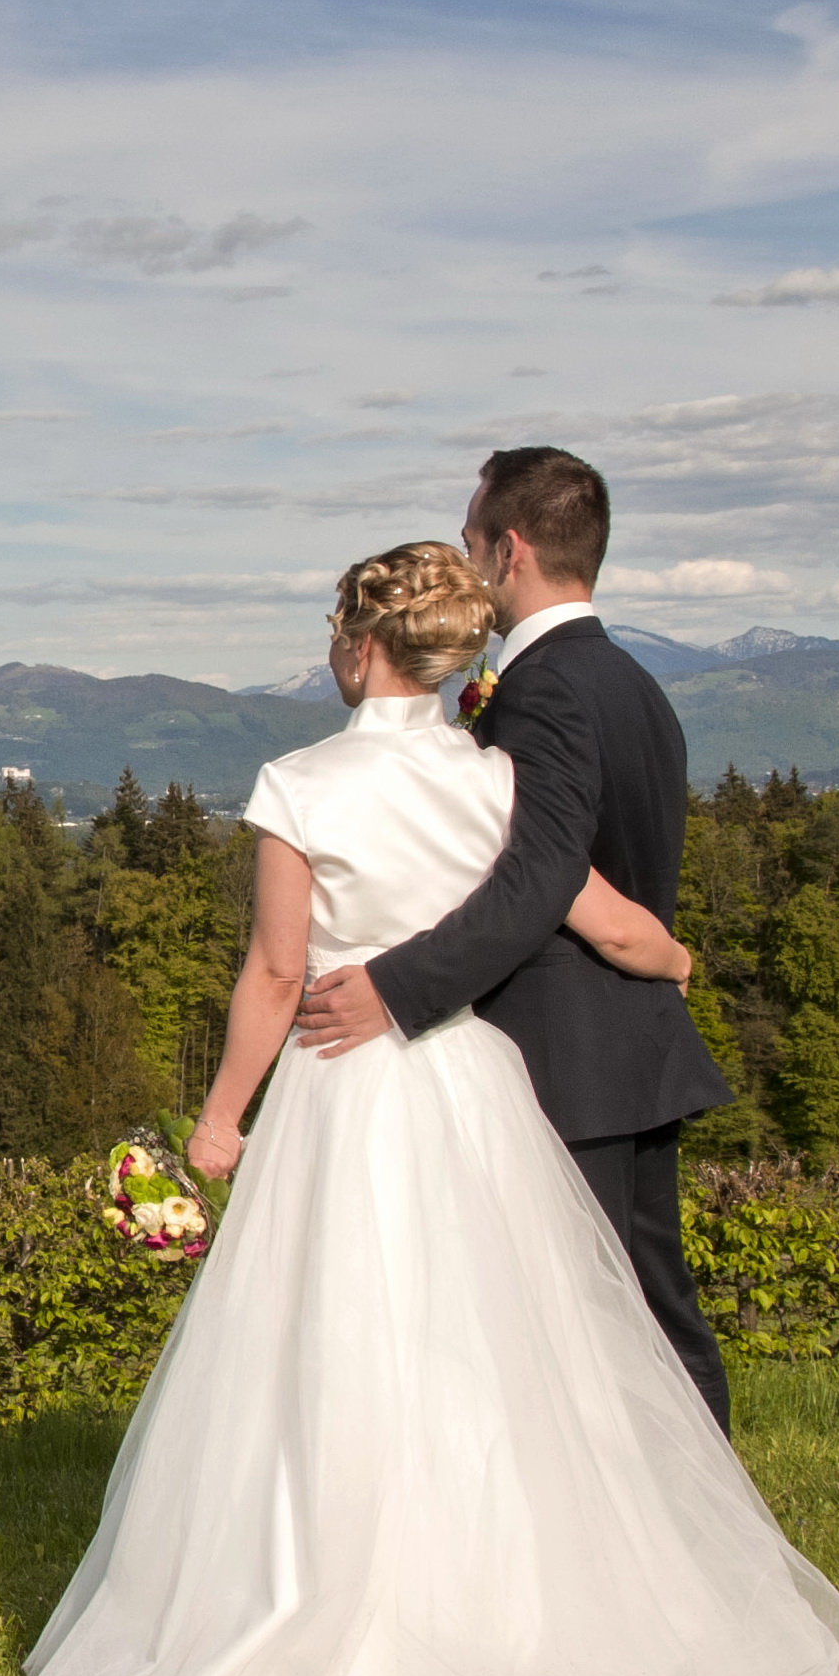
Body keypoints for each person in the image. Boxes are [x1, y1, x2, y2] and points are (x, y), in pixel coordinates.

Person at [0, 540, 839, 1676]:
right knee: (497, 1350)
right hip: (472, 1086)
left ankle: (320, 1606)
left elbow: (275, 976)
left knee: (327, 1351)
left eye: (333, 630)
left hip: (340, 1094)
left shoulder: (298, 785)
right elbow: (602, 918)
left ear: (361, 645)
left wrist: (219, 1123)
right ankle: (506, 1610)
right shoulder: (497, 782)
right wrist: (679, 963)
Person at [292, 448, 736, 1429]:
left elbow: (540, 876)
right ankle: (703, 1536)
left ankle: (680, 1548)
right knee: (652, 1311)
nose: (464, 561)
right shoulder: (631, 682)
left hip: (569, 1051)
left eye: (469, 540)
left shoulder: (548, 693)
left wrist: (394, 988)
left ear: (511, 548)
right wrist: (661, 953)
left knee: (593, 1323)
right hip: (631, 1040)